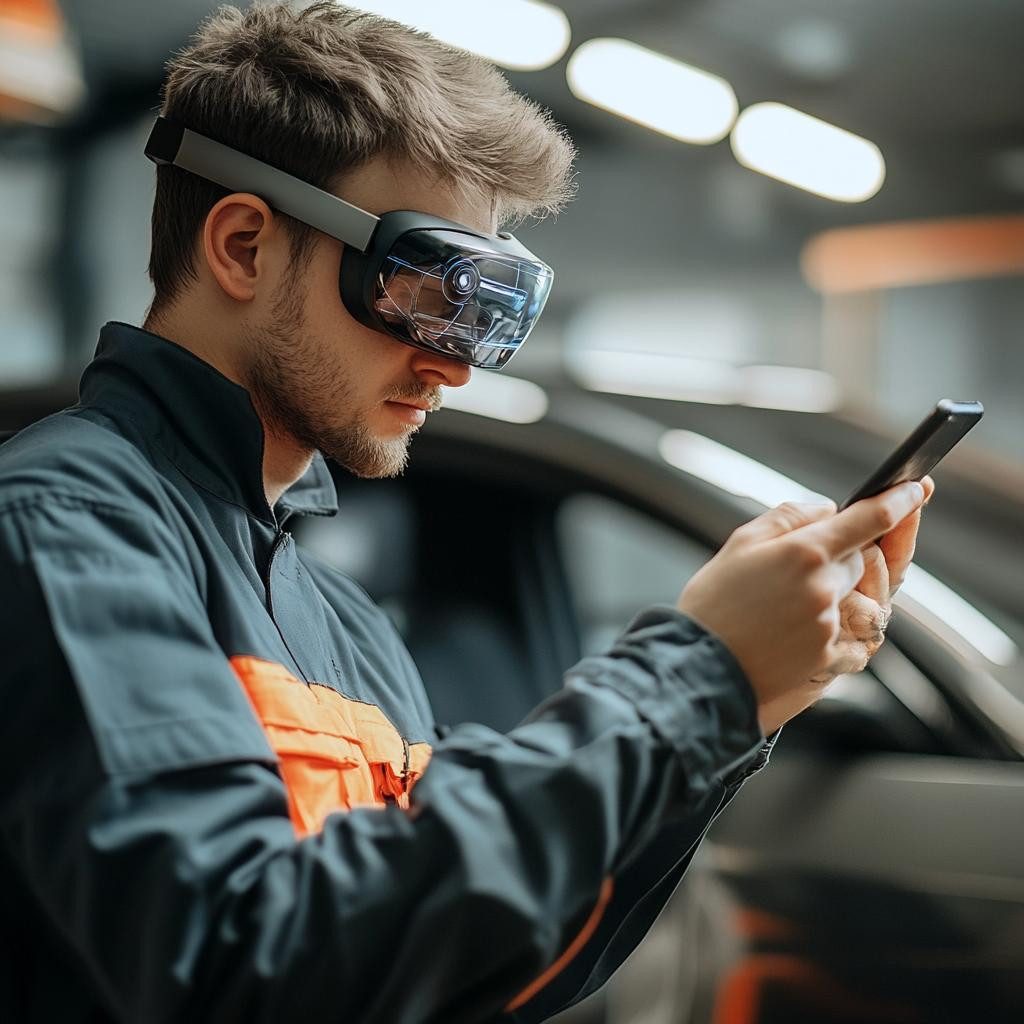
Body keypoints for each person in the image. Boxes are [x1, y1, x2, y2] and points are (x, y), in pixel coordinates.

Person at [0, 3, 933, 1022]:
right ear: (242, 245)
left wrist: (743, 702)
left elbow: (466, 959)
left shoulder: (341, 623)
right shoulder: (66, 532)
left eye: (488, 309)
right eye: (420, 286)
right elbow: (242, 960)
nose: (452, 362)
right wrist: (694, 674)